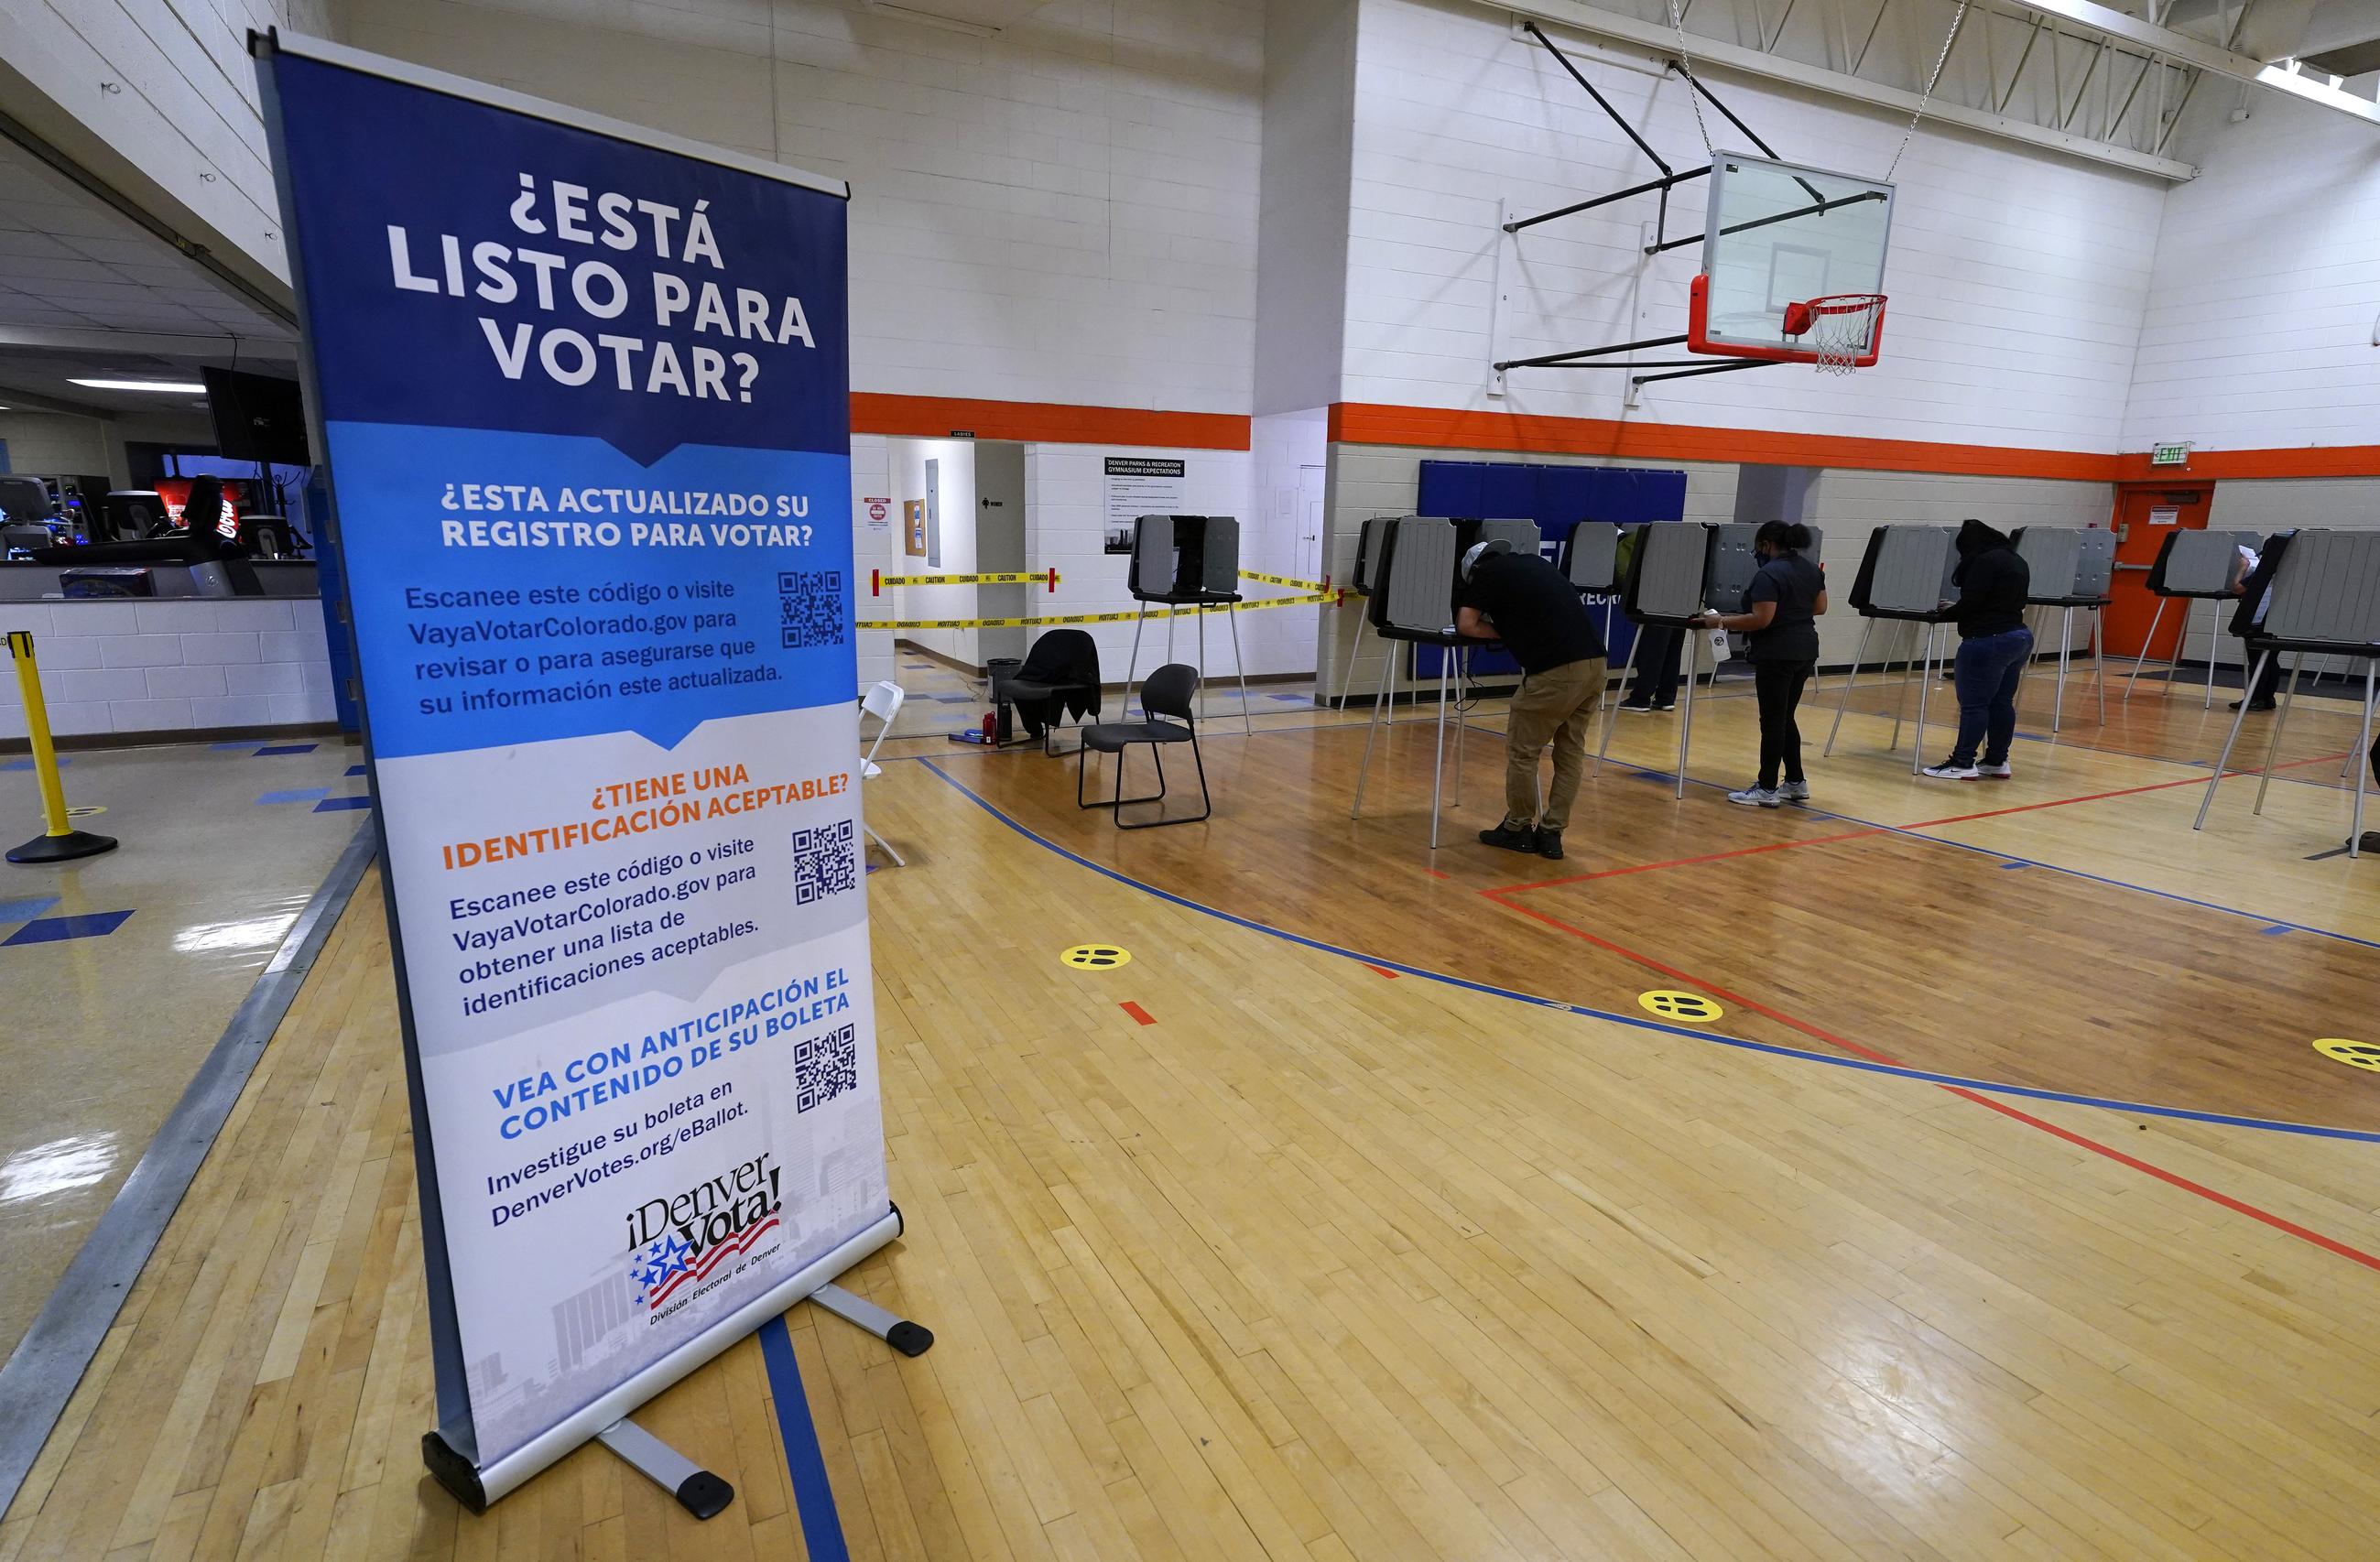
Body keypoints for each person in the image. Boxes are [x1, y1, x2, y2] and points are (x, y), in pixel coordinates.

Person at [1456, 539, 1608, 862]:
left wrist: (1504, 632)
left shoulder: (1486, 575)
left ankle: (1517, 828)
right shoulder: (1537, 563)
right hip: (1596, 665)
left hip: (1555, 672)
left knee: (1523, 751)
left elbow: (1466, 624)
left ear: (1473, 570)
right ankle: (1552, 834)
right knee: (1570, 752)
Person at [1701, 521, 1827, 807]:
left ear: (1766, 544)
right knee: (1785, 717)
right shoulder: (1809, 568)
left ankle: (1767, 787)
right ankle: (1795, 782)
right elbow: (1820, 607)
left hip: (1778, 652)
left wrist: (1720, 621)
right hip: (1806, 648)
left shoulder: (1769, 574)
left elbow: (1761, 619)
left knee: (1772, 720)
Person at [1922, 518, 2032, 780]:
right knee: (2002, 702)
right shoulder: (2017, 560)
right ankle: (1997, 760)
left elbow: (1973, 604)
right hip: (2018, 636)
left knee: (1974, 704)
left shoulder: (1983, 562)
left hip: (1987, 639)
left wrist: (1950, 611)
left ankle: (1962, 762)